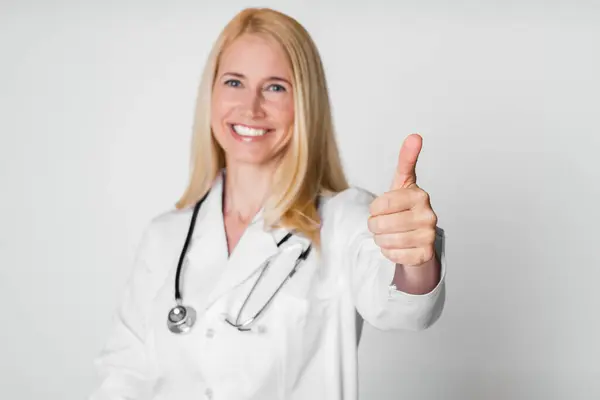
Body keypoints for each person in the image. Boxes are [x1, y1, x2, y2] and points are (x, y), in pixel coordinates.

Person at [90, 7, 446, 400]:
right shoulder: (165, 236)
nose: (251, 107)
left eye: (275, 87)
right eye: (234, 82)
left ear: (305, 103)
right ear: (210, 94)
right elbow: (122, 376)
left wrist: (415, 260)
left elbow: (404, 309)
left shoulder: (346, 218)